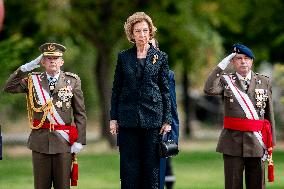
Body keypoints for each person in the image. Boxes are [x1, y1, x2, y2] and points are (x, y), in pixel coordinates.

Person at [4, 42, 87, 189]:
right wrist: (26, 68)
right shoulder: (32, 80)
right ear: (42, 62)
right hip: (40, 142)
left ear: (62, 61)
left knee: (63, 186)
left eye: (56, 58)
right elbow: (9, 87)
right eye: (48, 58)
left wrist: (80, 140)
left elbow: (80, 113)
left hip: (63, 142)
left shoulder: (72, 81)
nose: (52, 61)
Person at [109, 12, 172, 189]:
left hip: (153, 119)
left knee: (150, 167)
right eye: (138, 31)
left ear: (150, 32)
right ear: (131, 33)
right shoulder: (123, 57)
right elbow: (116, 89)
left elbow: (166, 91)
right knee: (129, 167)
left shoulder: (161, 57)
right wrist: (113, 118)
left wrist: (167, 120)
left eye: (145, 30)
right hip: (127, 119)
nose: (142, 35)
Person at [204, 43, 275, 189]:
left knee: (257, 185)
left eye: (247, 58)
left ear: (252, 61)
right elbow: (209, 89)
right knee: (232, 185)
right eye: (239, 58)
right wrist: (221, 66)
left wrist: (270, 143)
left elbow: (269, 114)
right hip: (232, 142)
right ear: (233, 61)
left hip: (257, 143)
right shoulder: (226, 81)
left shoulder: (264, 81)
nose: (243, 61)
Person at [150, 38, 179, 189]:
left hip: (158, 137)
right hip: (134, 138)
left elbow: (172, 110)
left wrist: (173, 140)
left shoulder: (168, 75)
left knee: (157, 183)